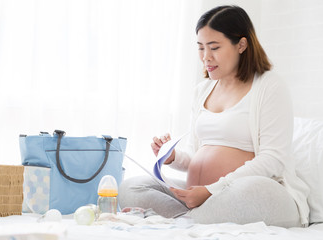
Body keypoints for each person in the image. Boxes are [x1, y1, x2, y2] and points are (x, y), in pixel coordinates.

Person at [118, 5, 310, 228]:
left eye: (214, 47)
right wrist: (173, 157)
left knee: (251, 189)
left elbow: (273, 160)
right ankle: (193, 222)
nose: (206, 57)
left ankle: (181, 223)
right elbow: (195, 154)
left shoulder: (269, 86)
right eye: (200, 48)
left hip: (252, 195)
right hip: (201, 200)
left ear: (242, 44)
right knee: (132, 187)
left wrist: (212, 190)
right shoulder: (203, 90)